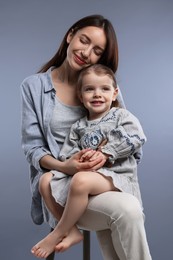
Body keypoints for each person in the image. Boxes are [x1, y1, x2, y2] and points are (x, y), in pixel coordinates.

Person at [21, 14, 152, 260]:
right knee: (47, 180)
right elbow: (34, 148)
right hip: (63, 186)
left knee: (128, 209)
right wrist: (66, 165)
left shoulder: (104, 85)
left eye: (97, 50)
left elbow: (131, 136)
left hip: (103, 178)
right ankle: (67, 230)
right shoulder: (34, 87)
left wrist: (104, 158)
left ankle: (64, 231)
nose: (86, 52)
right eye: (84, 40)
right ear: (70, 35)